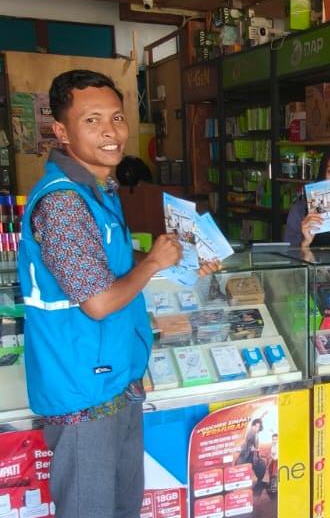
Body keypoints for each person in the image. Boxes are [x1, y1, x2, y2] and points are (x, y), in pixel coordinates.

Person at [17, 70, 219, 518]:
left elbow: (115, 264)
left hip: (115, 377)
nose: (110, 131)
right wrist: (154, 262)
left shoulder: (98, 190)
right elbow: (99, 301)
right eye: (92, 120)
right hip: (82, 390)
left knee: (124, 506)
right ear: (61, 131)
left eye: (117, 117)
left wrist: (180, 259)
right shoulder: (63, 201)